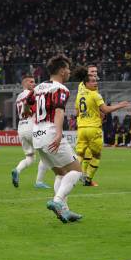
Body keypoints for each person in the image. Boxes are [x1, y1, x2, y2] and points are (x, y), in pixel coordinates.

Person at [27, 54, 83, 223]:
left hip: (37, 136)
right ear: (61, 70)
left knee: (60, 173)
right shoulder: (61, 89)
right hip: (51, 133)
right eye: (67, 68)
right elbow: (59, 111)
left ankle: (65, 210)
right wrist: (58, 134)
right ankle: (58, 201)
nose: (69, 71)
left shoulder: (38, 87)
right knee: (76, 171)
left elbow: (27, 104)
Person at [73, 67, 131, 186]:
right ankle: (88, 179)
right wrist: (120, 105)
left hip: (81, 128)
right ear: (86, 83)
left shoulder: (79, 95)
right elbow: (105, 109)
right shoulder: (95, 94)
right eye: (93, 81)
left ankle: (72, 178)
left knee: (80, 155)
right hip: (93, 129)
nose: (96, 82)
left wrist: (93, 113)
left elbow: (77, 112)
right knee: (97, 155)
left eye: (96, 79)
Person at [11, 74, 50, 189]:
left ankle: (17, 170)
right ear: (25, 83)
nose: (34, 84)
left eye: (34, 82)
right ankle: (39, 182)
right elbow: (35, 110)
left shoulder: (18, 96)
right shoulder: (31, 95)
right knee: (46, 154)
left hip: (21, 128)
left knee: (30, 157)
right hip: (32, 126)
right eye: (31, 82)